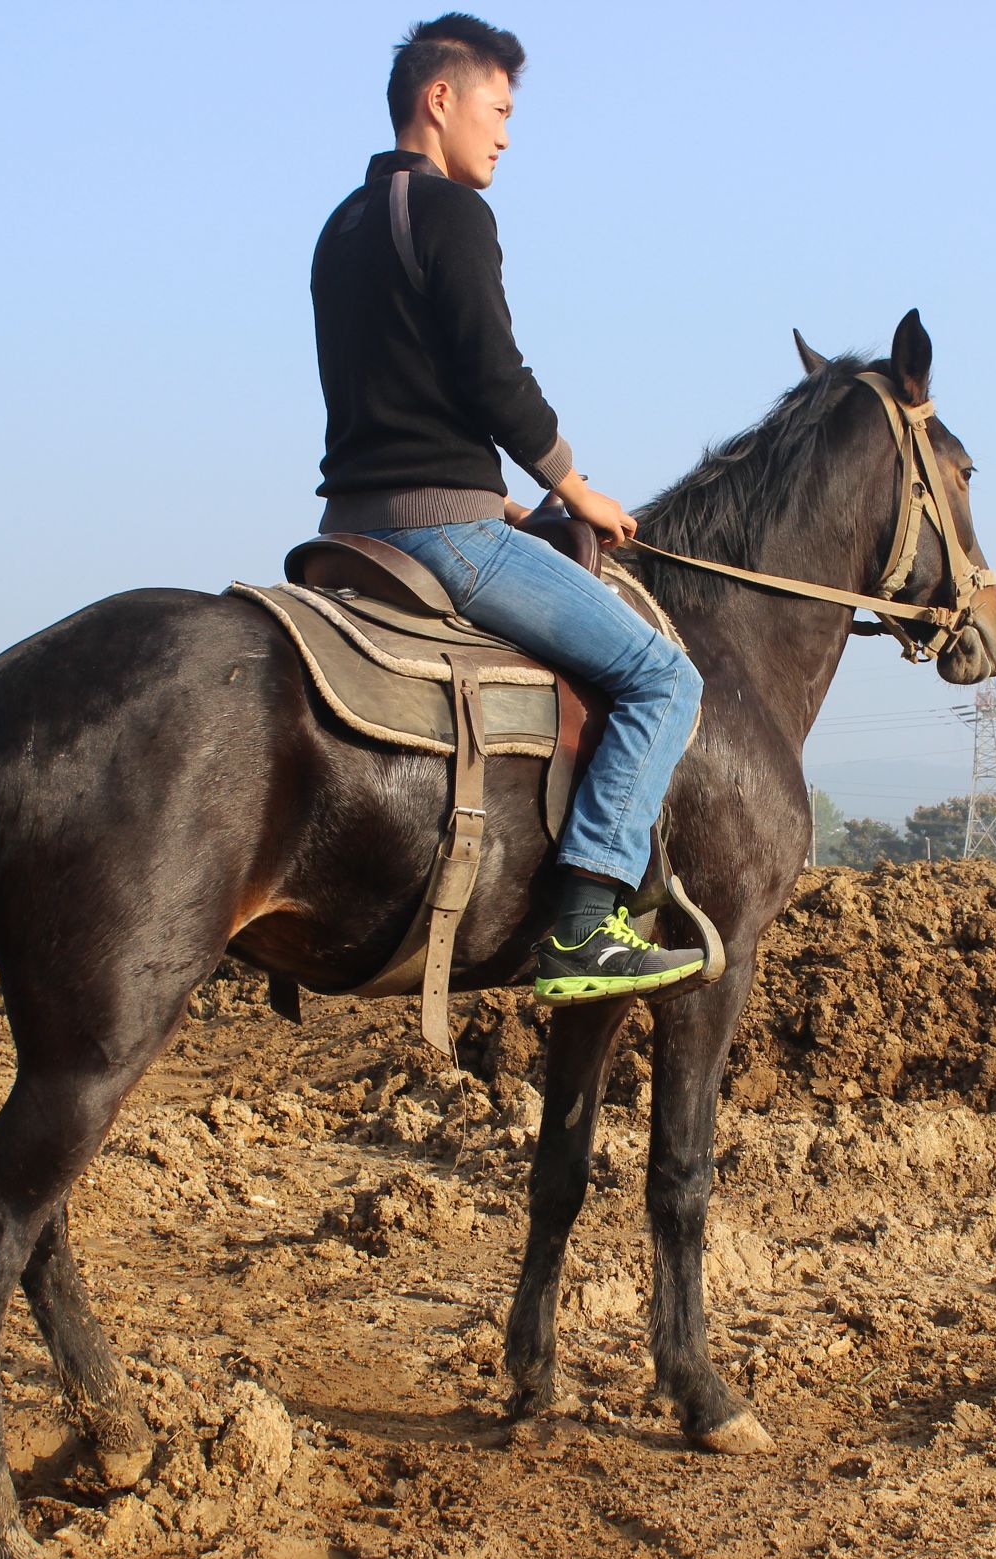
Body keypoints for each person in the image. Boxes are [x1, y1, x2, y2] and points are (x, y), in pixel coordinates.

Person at [310, 14, 704, 1003]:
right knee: (663, 678)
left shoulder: (343, 225)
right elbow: (495, 378)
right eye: (497, 108)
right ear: (439, 100)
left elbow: (405, 384)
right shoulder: (448, 214)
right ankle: (582, 926)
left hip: (345, 529)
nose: (506, 134)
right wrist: (571, 486)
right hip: (443, 531)